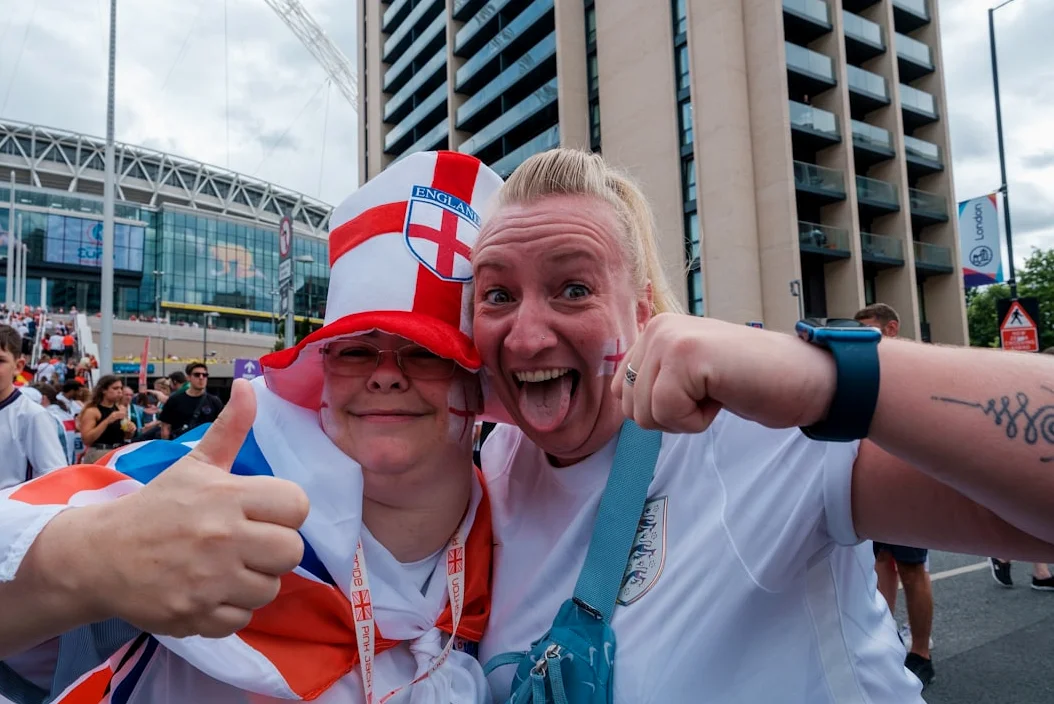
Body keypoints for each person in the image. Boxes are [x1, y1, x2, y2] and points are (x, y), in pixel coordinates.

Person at [468, 148, 1054, 701]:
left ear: (642, 313)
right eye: (497, 294)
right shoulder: (489, 470)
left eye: (574, 289)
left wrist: (831, 378)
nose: (526, 335)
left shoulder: (751, 434)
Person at [0, 150, 502, 703]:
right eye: (357, 351)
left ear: (477, 382)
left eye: (426, 353)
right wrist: (95, 555)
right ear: (323, 371)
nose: (386, 375)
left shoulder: (510, 518)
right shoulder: (228, 474)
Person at [989, 344, 1054, 592]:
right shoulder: (1030, 395)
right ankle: (1005, 556)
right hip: (1029, 469)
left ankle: (1038, 571)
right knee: (1032, 515)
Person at [0, 325, 68, 490]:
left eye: (0, 361)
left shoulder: (32, 416)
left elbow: (57, 481)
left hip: (12, 514)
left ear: (18, 366)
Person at [77, 375, 135, 464]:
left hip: (118, 452)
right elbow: (87, 439)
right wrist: (107, 421)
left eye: (121, 388)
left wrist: (130, 430)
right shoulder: (92, 411)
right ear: (104, 390)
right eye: (115, 388)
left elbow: (125, 436)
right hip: (99, 452)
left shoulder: (121, 408)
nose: (119, 391)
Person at [157, 362, 223, 439]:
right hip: (181, 445)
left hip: (205, 447)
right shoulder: (175, 400)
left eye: (204, 375)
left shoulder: (214, 401)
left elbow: (222, 426)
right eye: (197, 375)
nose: (201, 378)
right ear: (188, 378)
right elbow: (165, 427)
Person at [31, 384, 78, 465]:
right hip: (67, 464)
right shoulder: (65, 413)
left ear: (43, 398)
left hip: (52, 467)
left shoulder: (46, 417)